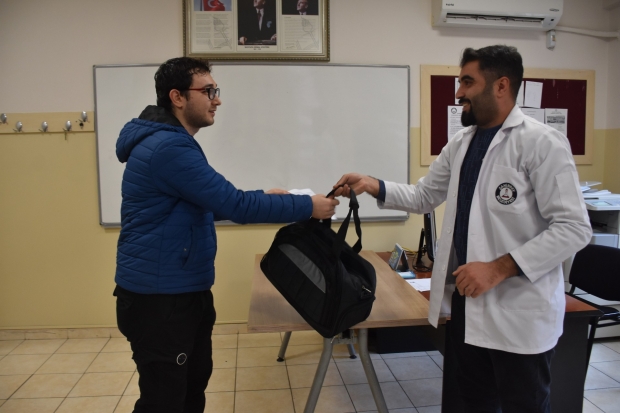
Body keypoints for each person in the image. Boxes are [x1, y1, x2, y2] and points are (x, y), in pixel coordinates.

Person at [333, 45, 591, 413]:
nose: (458, 92)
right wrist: (372, 184)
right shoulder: (461, 143)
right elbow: (424, 196)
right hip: (467, 308)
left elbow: (573, 228)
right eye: (460, 82)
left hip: (519, 311)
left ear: (501, 86)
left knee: (524, 405)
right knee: (472, 403)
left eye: (468, 82)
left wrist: (498, 268)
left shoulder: (542, 143)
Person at [114, 57, 338, 413]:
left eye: (215, 90)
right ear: (177, 97)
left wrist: (266, 197)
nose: (217, 99)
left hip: (177, 291)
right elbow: (236, 205)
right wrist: (307, 206)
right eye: (208, 91)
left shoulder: (169, 141)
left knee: (191, 388)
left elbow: (205, 203)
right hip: (160, 300)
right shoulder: (168, 148)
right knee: (164, 401)